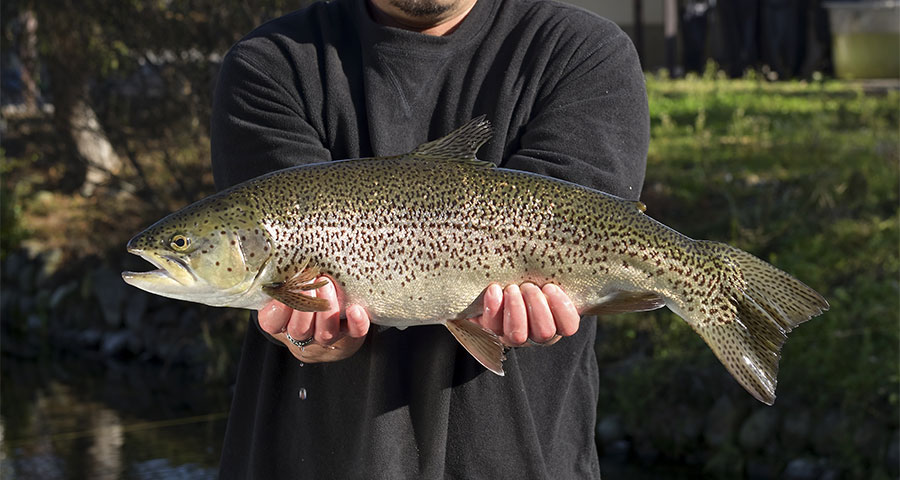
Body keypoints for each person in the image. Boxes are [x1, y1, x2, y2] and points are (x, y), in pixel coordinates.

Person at [210, 0, 648, 476]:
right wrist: (309, 340)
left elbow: (577, 222)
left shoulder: (581, 53)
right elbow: (290, 305)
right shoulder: (271, 62)